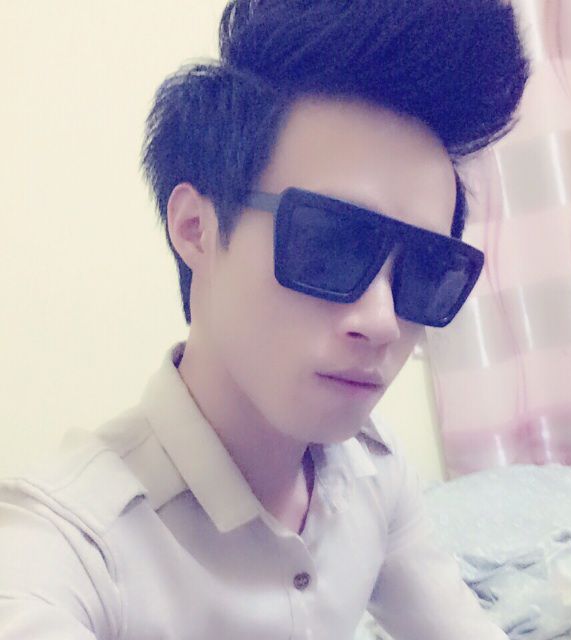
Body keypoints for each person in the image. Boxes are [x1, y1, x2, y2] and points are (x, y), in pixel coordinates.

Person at [0, 1, 529, 638]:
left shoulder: (374, 473)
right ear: (194, 228)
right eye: (329, 244)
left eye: (424, 270)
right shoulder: (69, 547)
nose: (383, 321)